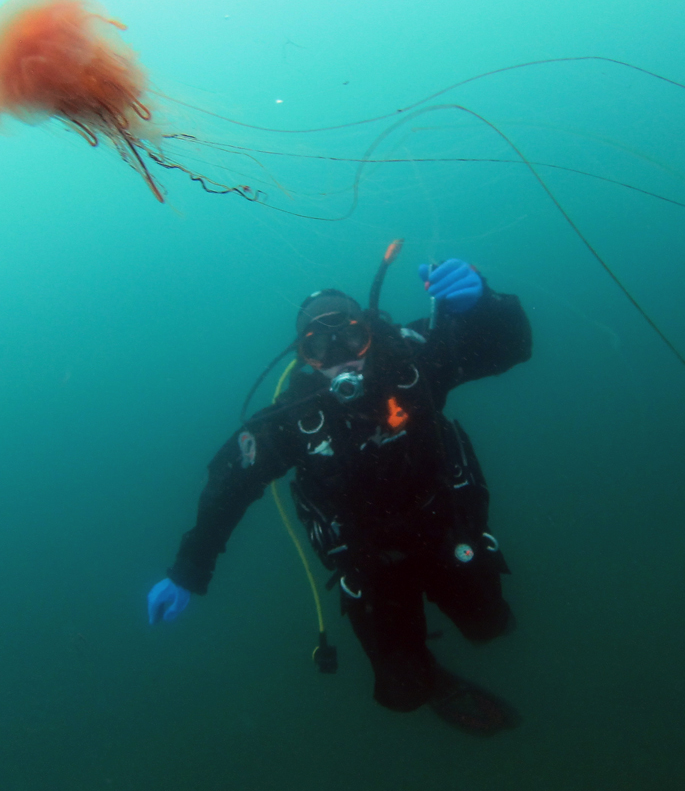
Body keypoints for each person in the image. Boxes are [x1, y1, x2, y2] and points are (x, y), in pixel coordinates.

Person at [146, 254, 532, 735]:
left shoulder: (415, 363)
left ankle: (465, 634)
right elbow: (228, 487)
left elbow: (509, 346)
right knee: (402, 691)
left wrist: (484, 304)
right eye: (319, 347)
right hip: (371, 567)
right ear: (303, 357)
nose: (341, 357)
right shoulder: (294, 418)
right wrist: (188, 570)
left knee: (492, 625)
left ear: (370, 333)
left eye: (351, 337)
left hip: (447, 530)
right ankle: (429, 680)